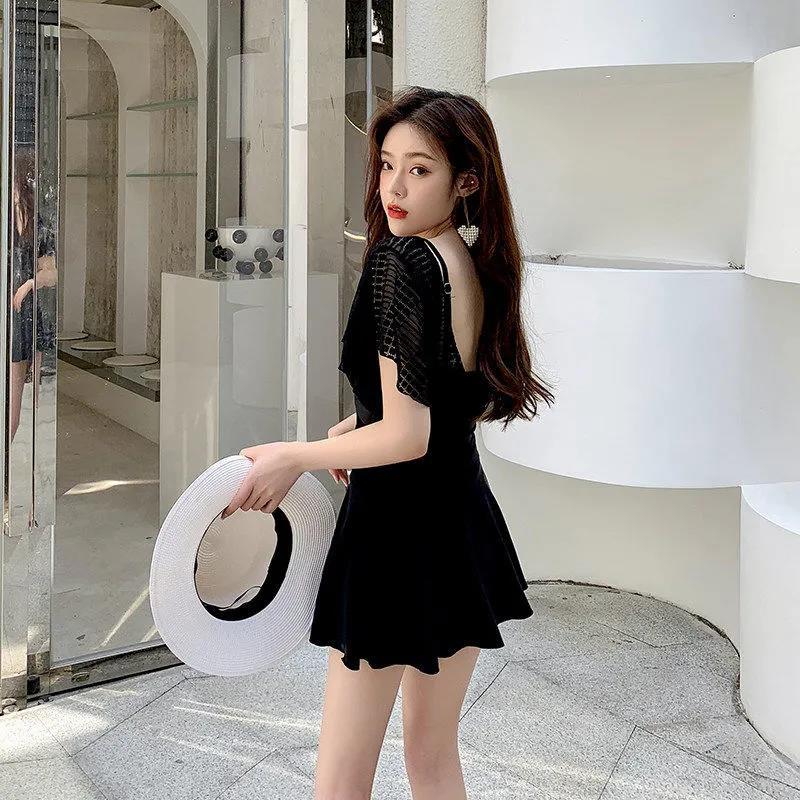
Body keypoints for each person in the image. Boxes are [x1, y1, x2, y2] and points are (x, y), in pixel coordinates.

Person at [222, 86, 555, 799]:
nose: (395, 187)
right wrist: (358, 426)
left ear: (467, 181)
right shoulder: (470, 260)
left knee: (341, 779)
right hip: (461, 527)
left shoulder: (398, 264)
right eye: (386, 165)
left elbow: (408, 435)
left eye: (420, 169)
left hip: (396, 537)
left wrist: (295, 456)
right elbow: (444, 404)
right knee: (432, 756)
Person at [9, 146, 58, 445]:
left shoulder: (37, 224)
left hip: (21, 315)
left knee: (14, 409)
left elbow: (51, 273)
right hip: (11, 315)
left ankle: (5, 462)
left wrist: (28, 284)